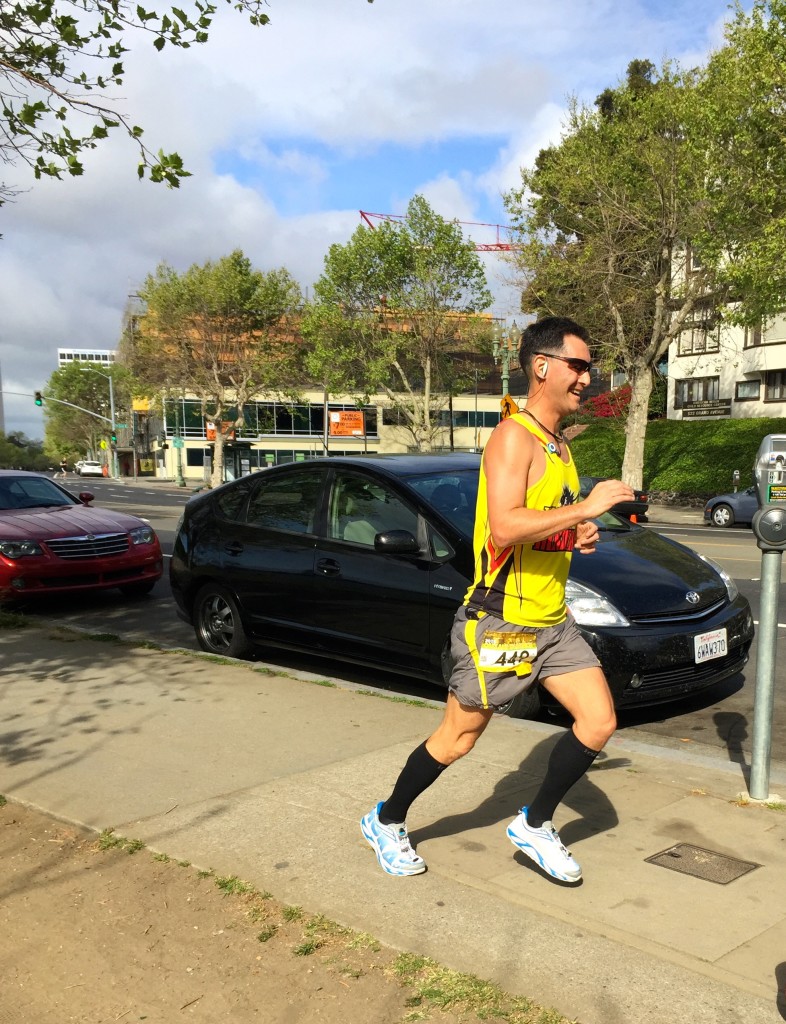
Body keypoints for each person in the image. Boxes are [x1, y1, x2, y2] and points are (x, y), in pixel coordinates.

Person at [361, 316, 635, 883]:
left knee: (598, 721)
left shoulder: (558, 444)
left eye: (590, 367)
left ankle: (534, 824)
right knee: (459, 738)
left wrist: (574, 533)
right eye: (578, 365)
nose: (588, 377)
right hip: (502, 623)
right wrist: (586, 507)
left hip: (552, 623)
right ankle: (386, 820)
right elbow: (506, 527)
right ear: (542, 366)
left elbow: (535, 526)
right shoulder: (515, 436)